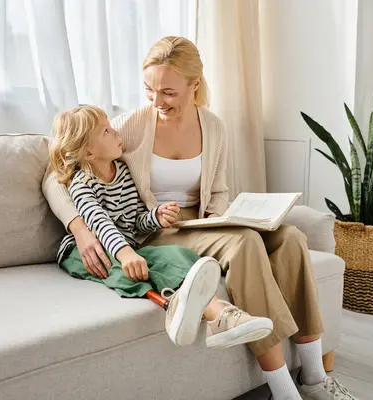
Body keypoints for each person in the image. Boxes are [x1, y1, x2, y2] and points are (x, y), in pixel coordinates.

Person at [43, 37, 357, 400]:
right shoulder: (128, 126)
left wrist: (219, 218)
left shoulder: (214, 127)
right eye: (149, 90)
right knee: (244, 243)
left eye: (169, 92)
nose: (157, 101)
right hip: (159, 229)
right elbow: (57, 172)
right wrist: (79, 228)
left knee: (290, 238)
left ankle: (315, 379)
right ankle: (284, 391)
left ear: (195, 85)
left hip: (202, 224)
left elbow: (219, 190)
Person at [48, 104, 273, 349]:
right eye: (106, 132)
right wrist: (126, 255)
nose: (116, 133)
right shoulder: (82, 184)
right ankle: (204, 311)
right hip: (88, 252)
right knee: (127, 273)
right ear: (89, 153)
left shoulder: (122, 172)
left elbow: (135, 220)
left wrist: (156, 217)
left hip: (128, 245)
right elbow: (101, 225)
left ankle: (210, 314)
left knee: (178, 255)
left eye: (111, 127)